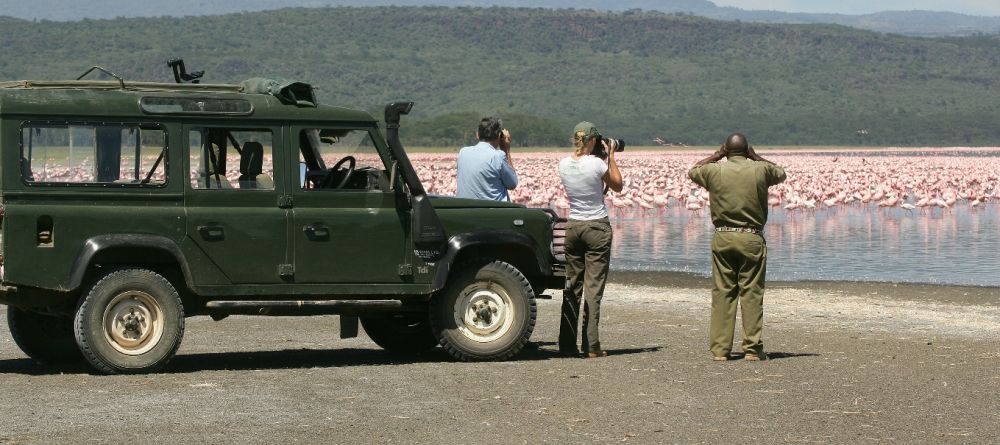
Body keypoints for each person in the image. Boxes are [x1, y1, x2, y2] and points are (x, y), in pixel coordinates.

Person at [688, 133, 786, 362]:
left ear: (727, 150)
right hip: (751, 237)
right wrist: (756, 157)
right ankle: (752, 348)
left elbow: (692, 171)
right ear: (747, 150)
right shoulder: (760, 169)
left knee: (723, 292)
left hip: (723, 237)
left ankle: (721, 350)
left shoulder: (714, 170)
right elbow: (781, 173)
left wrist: (716, 155)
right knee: (751, 293)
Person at [558, 121, 623, 358]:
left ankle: (566, 344)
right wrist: (612, 156)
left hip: (573, 227)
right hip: (596, 226)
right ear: (593, 141)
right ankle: (591, 345)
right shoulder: (597, 163)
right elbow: (617, 186)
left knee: (572, 287)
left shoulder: (563, 164)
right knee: (593, 289)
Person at [456, 117, 518, 201]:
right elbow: (512, 184)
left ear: (477, 134)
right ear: (499, 136)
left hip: (465, 211)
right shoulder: (498, 156)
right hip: (492, 212)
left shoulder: (463, 152)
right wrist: (506, 150)